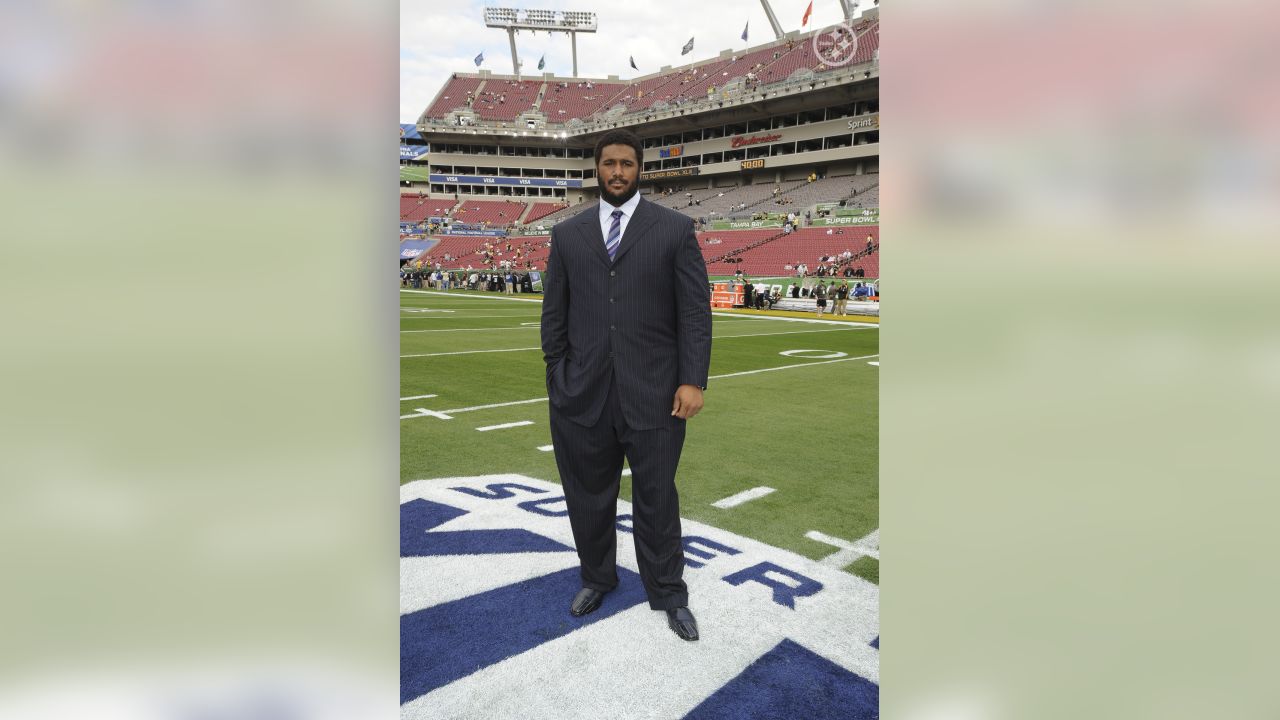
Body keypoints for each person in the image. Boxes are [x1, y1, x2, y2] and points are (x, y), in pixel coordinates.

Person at [541, 129, 711, 642]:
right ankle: (597, 578)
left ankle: (668, 592)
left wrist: (692, 380)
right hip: (582, 394)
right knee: (588, 496)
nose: (617, 172)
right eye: (609, 163)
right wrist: (557, 376)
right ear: (597, 168)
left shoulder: (674, 229)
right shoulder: (568, 236)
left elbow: (694, 313)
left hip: (658, 394)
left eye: (627, 164)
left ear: (641, 169)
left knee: (657, 498)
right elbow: (555, 315)